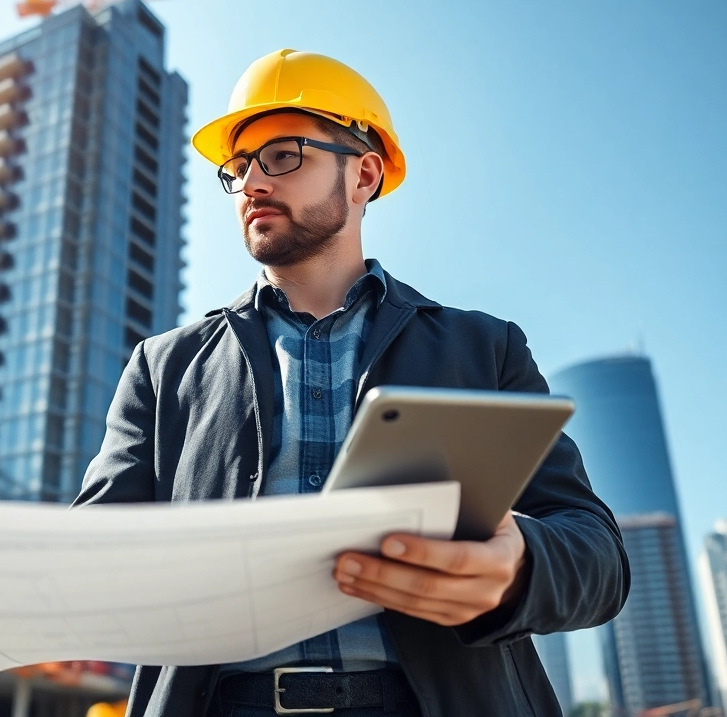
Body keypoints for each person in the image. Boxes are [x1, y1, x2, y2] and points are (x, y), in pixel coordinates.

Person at [72, 49, 629, 717]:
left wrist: (519, 567)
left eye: (281, 156)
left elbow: (597, 557)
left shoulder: (486, 348)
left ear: (364, 175)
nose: (251, 182)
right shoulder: (163, 369)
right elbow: (90, 564)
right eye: (239, 166)